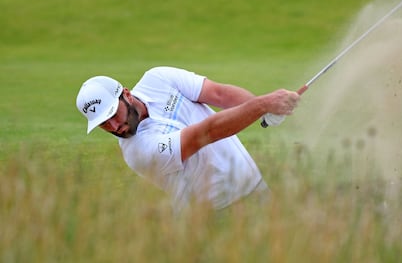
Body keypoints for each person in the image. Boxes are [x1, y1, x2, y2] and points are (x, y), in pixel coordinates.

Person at [76, 66, 300, 214]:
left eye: (114, 114)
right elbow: (206, 133)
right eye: (104, 124)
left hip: (255, 186)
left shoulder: (158, 79)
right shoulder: (136, 152)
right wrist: (261, 105)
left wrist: (264, 110)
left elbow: (219, 94)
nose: (115, 127)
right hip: (215, 216)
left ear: (126, 94)